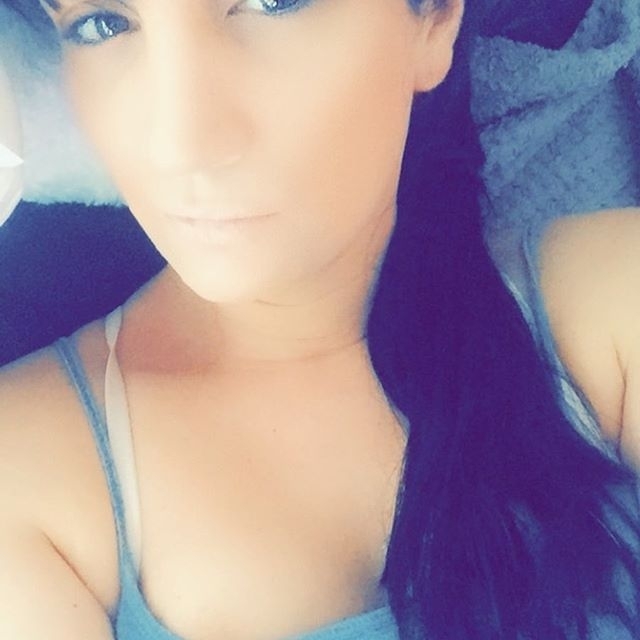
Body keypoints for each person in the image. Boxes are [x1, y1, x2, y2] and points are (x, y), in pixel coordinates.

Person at [0, 1, 638, 639]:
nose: (182, 145)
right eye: (102, 23)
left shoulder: (611, 301)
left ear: (435, 18)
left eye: (274, 1)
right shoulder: (28, 478)